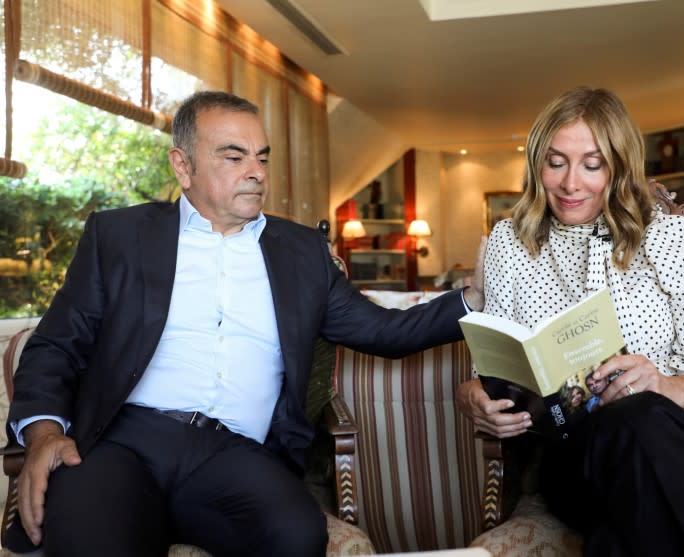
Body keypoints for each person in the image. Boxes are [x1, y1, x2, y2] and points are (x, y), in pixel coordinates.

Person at [6, 91, 485, 557]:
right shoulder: (120, 236)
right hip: (124, 442)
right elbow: (54, 346)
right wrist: (45, 431)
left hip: (233, 453)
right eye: (234, 157)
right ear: (182, 165)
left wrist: (474, 297)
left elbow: (386, 331)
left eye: (262, 157)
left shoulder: (302, 253)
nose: (256, 172)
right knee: (91, 540)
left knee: (297, 535)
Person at [456, 86, 684, 556]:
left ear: (620, 166)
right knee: (633, 424)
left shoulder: (669, 237)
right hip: (585, 459)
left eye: (593, 164)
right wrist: (472, 397)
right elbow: (492, 369)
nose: (571, 183)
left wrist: (670, 388)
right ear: (535, 165)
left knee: (642, 430)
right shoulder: (510, 243)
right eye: (556, 161)